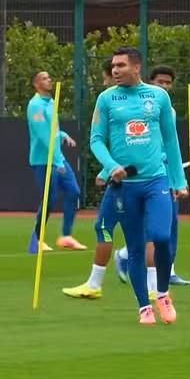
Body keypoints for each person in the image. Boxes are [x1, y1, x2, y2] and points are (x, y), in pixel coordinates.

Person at [90, 47, 188, 325]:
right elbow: (96, 140)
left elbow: (171, 140)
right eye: (113, 66)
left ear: (136, 67)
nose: (115, 70)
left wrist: (179, 181)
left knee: (161, 237)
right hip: (125, 187)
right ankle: (144, 306)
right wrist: (111, 167)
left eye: (120, 65)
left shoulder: (158, 96)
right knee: (134, 248)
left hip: (156, 180)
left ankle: (163, 293)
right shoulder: (106, 99)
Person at [114, 64, 190, 286]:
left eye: (168, 83)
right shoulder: (140, 105)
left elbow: (170, 142)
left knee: (170, 223)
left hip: (164, 171)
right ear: (150, 82)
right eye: (160, 82)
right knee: (149, 225)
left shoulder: (168, 108)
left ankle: (169, 269)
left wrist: (177, 179)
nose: (165, 86)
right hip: (147, 174)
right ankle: (126, 255)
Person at [62, 60, 126, 299]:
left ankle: (96, 283)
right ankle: (154, 289)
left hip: (125, 180)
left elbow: (111, 141)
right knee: (142, 231)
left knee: (104, 227)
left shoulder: (111, 100)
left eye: (106, 77)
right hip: (137, 176)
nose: (105, 82)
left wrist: (108, 169)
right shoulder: (151, 102)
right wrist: (104, 171)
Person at [26, 71, 86, 253]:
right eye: (44, 78)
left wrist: (63, 135)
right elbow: (43, 135)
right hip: (44, 161)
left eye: (49, 77)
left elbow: (52, 131)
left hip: (57, 158)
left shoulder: (51, 103)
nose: (49, 80)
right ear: (36, 84)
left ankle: (66, 236)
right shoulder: (35, 105)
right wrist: (58, 161)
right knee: (49, 199)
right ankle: (36, 240)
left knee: (73, 192)